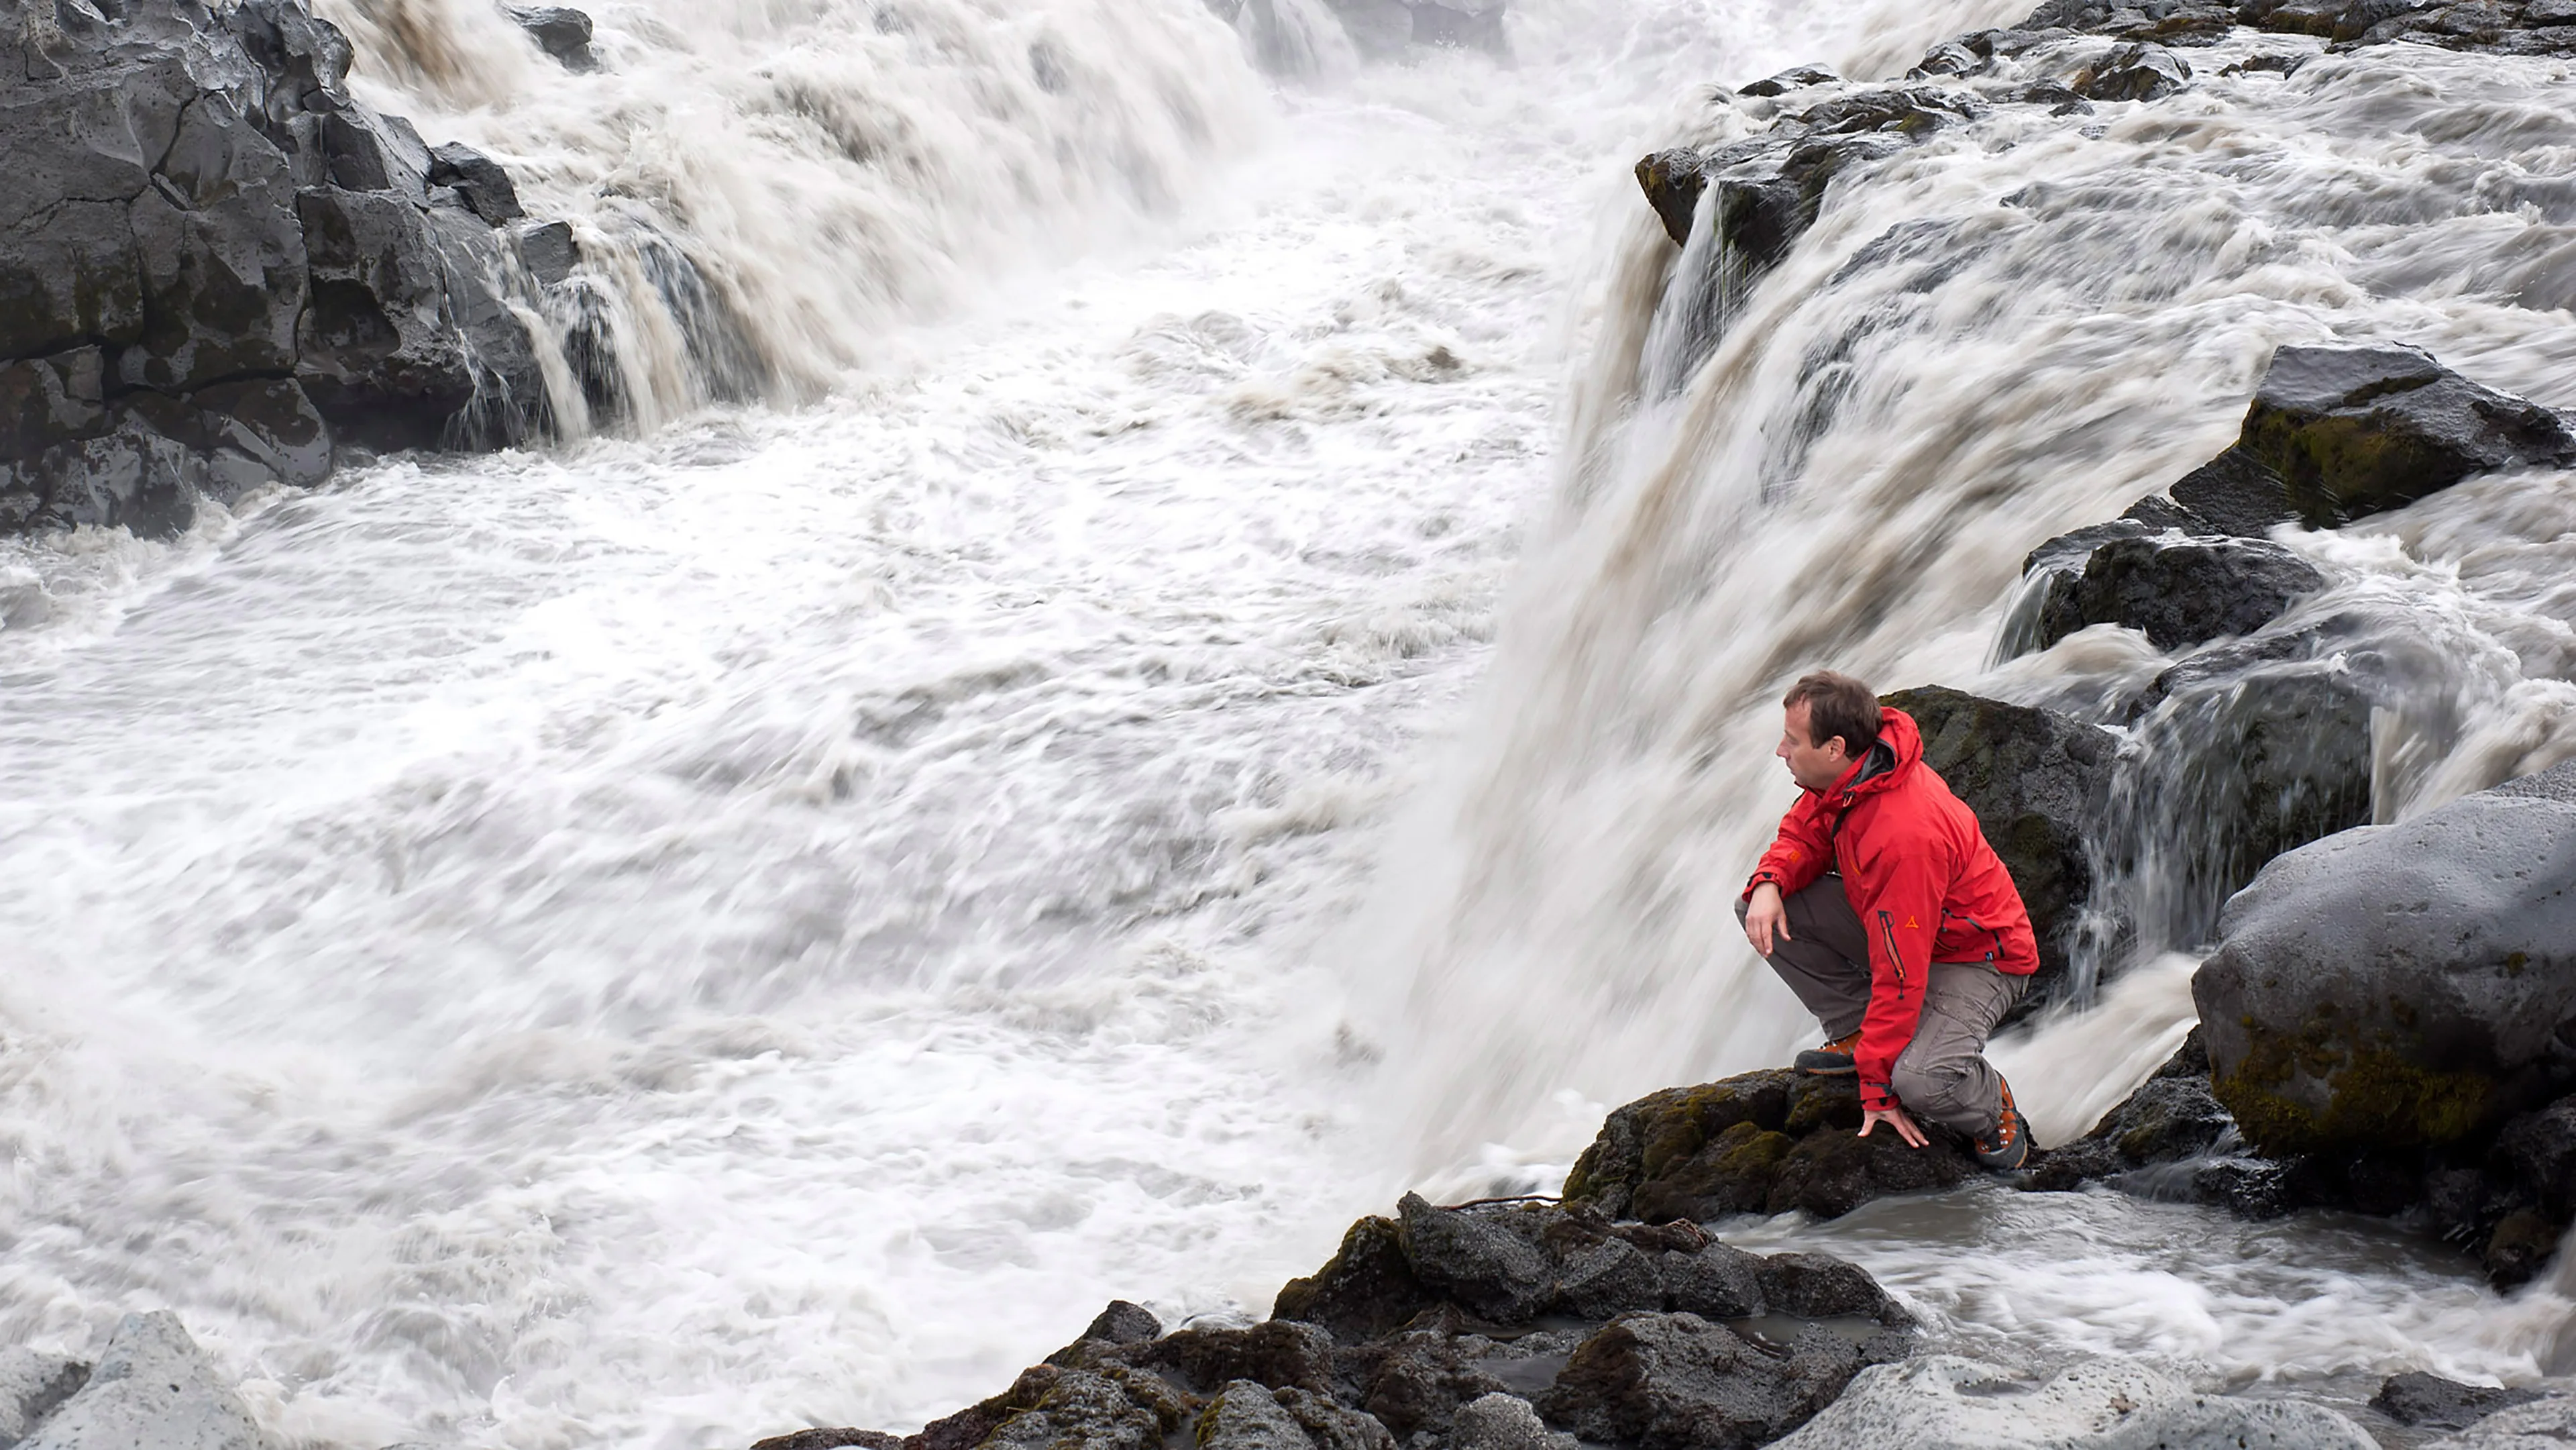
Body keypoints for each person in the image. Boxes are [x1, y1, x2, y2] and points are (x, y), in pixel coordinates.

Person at [1734, 670, 2038, 1170]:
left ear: (1834, 748)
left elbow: (1901, 974)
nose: (1780, 751)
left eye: (1792, 740)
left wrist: (1877, 1087)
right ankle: (1857, 1030)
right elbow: (1804, 832)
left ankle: (1990, 1103)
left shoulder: (1903, 835)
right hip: (1902, 927)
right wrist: (1769, 881)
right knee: (1756, 907)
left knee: (1917, 1082)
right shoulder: (1851, 776)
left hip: (1980, 957)